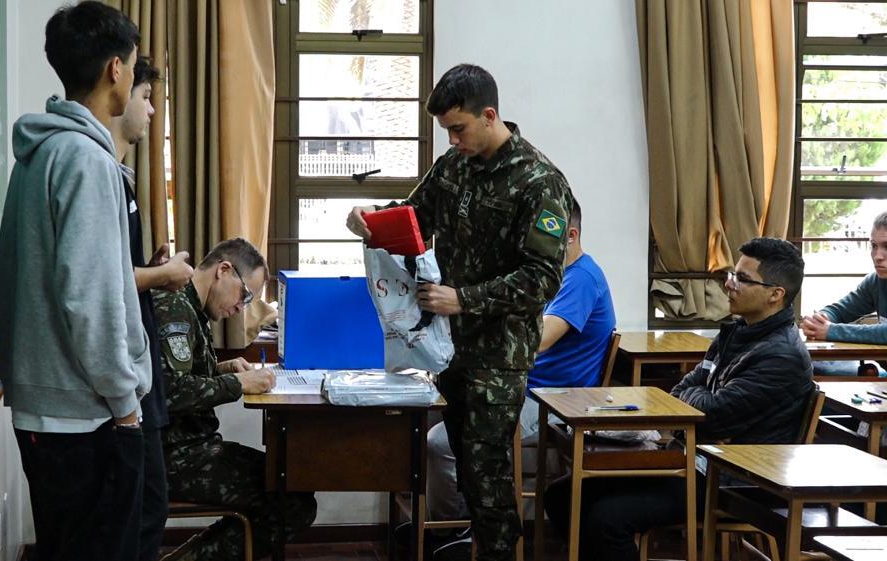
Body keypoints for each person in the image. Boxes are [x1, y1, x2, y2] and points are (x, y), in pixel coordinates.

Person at [346, 63, 574, 561]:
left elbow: (542, 279)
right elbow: (413, 218)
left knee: (487, 468)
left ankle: (498, 550)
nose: (452, 140)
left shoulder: (540, 183)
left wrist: (464, 298)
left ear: (489, 115)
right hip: (450, 347)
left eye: (459, 128)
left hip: (499, 352)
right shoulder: (455, 166)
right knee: (468, 468)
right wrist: (370, 221)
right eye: (447, 130)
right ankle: (483, 547)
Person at [543, 237, 814, 561]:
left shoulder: (781, 356)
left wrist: (697, 396)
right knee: (562, 495)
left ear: (775, 294)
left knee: (607, 519)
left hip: (735, 477)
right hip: (696, 460)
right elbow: (681, 391)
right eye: (732, 274)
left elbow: (711, 415)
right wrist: (699, 396)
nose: (729, 284)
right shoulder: (736, 332)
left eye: (742, 279)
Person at [0, 3, 149, 560]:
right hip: (82, 416)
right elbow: (90, 295)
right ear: (114, 69)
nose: (134, 79)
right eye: (133, 66)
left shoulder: (40, 153)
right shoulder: (83, 159)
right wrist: (125, 401)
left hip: (49, 407)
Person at [426, 197, 615, 530]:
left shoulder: (581, 279)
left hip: (549, 399)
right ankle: (434, 527)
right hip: (521, 384)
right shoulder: (548, 276)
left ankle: (458, 532)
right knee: (423, 411)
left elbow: (538, 340)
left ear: (570, 236)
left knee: (441, 443)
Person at [154, 238, 317, 561]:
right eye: (244, 295)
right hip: (175, 456)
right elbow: (169, 392)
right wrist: (237, 383)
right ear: (223, 270)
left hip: (189, 447)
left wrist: (218, 369)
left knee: (291, 486)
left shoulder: (190, 307)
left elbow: (171, 376)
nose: (241, 308)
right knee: (293, 502)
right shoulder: (174, 308)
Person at [108, 56, 195, 561]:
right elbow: (100, 284)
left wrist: (150, 270)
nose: (153, 112)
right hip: (122, 386)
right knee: (139, 515)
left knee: (149, 510)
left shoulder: (122, 177)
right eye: (146, 98)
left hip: (140, 375)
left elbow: (121, 273)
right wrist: (161, 276)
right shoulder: (97, 175)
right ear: (118, 90)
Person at [802, 211, 887, 349]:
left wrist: (831, 331)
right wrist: (819, 320)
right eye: (874, 246)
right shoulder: (875, 281)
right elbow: (840, 310)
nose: (877, 256)